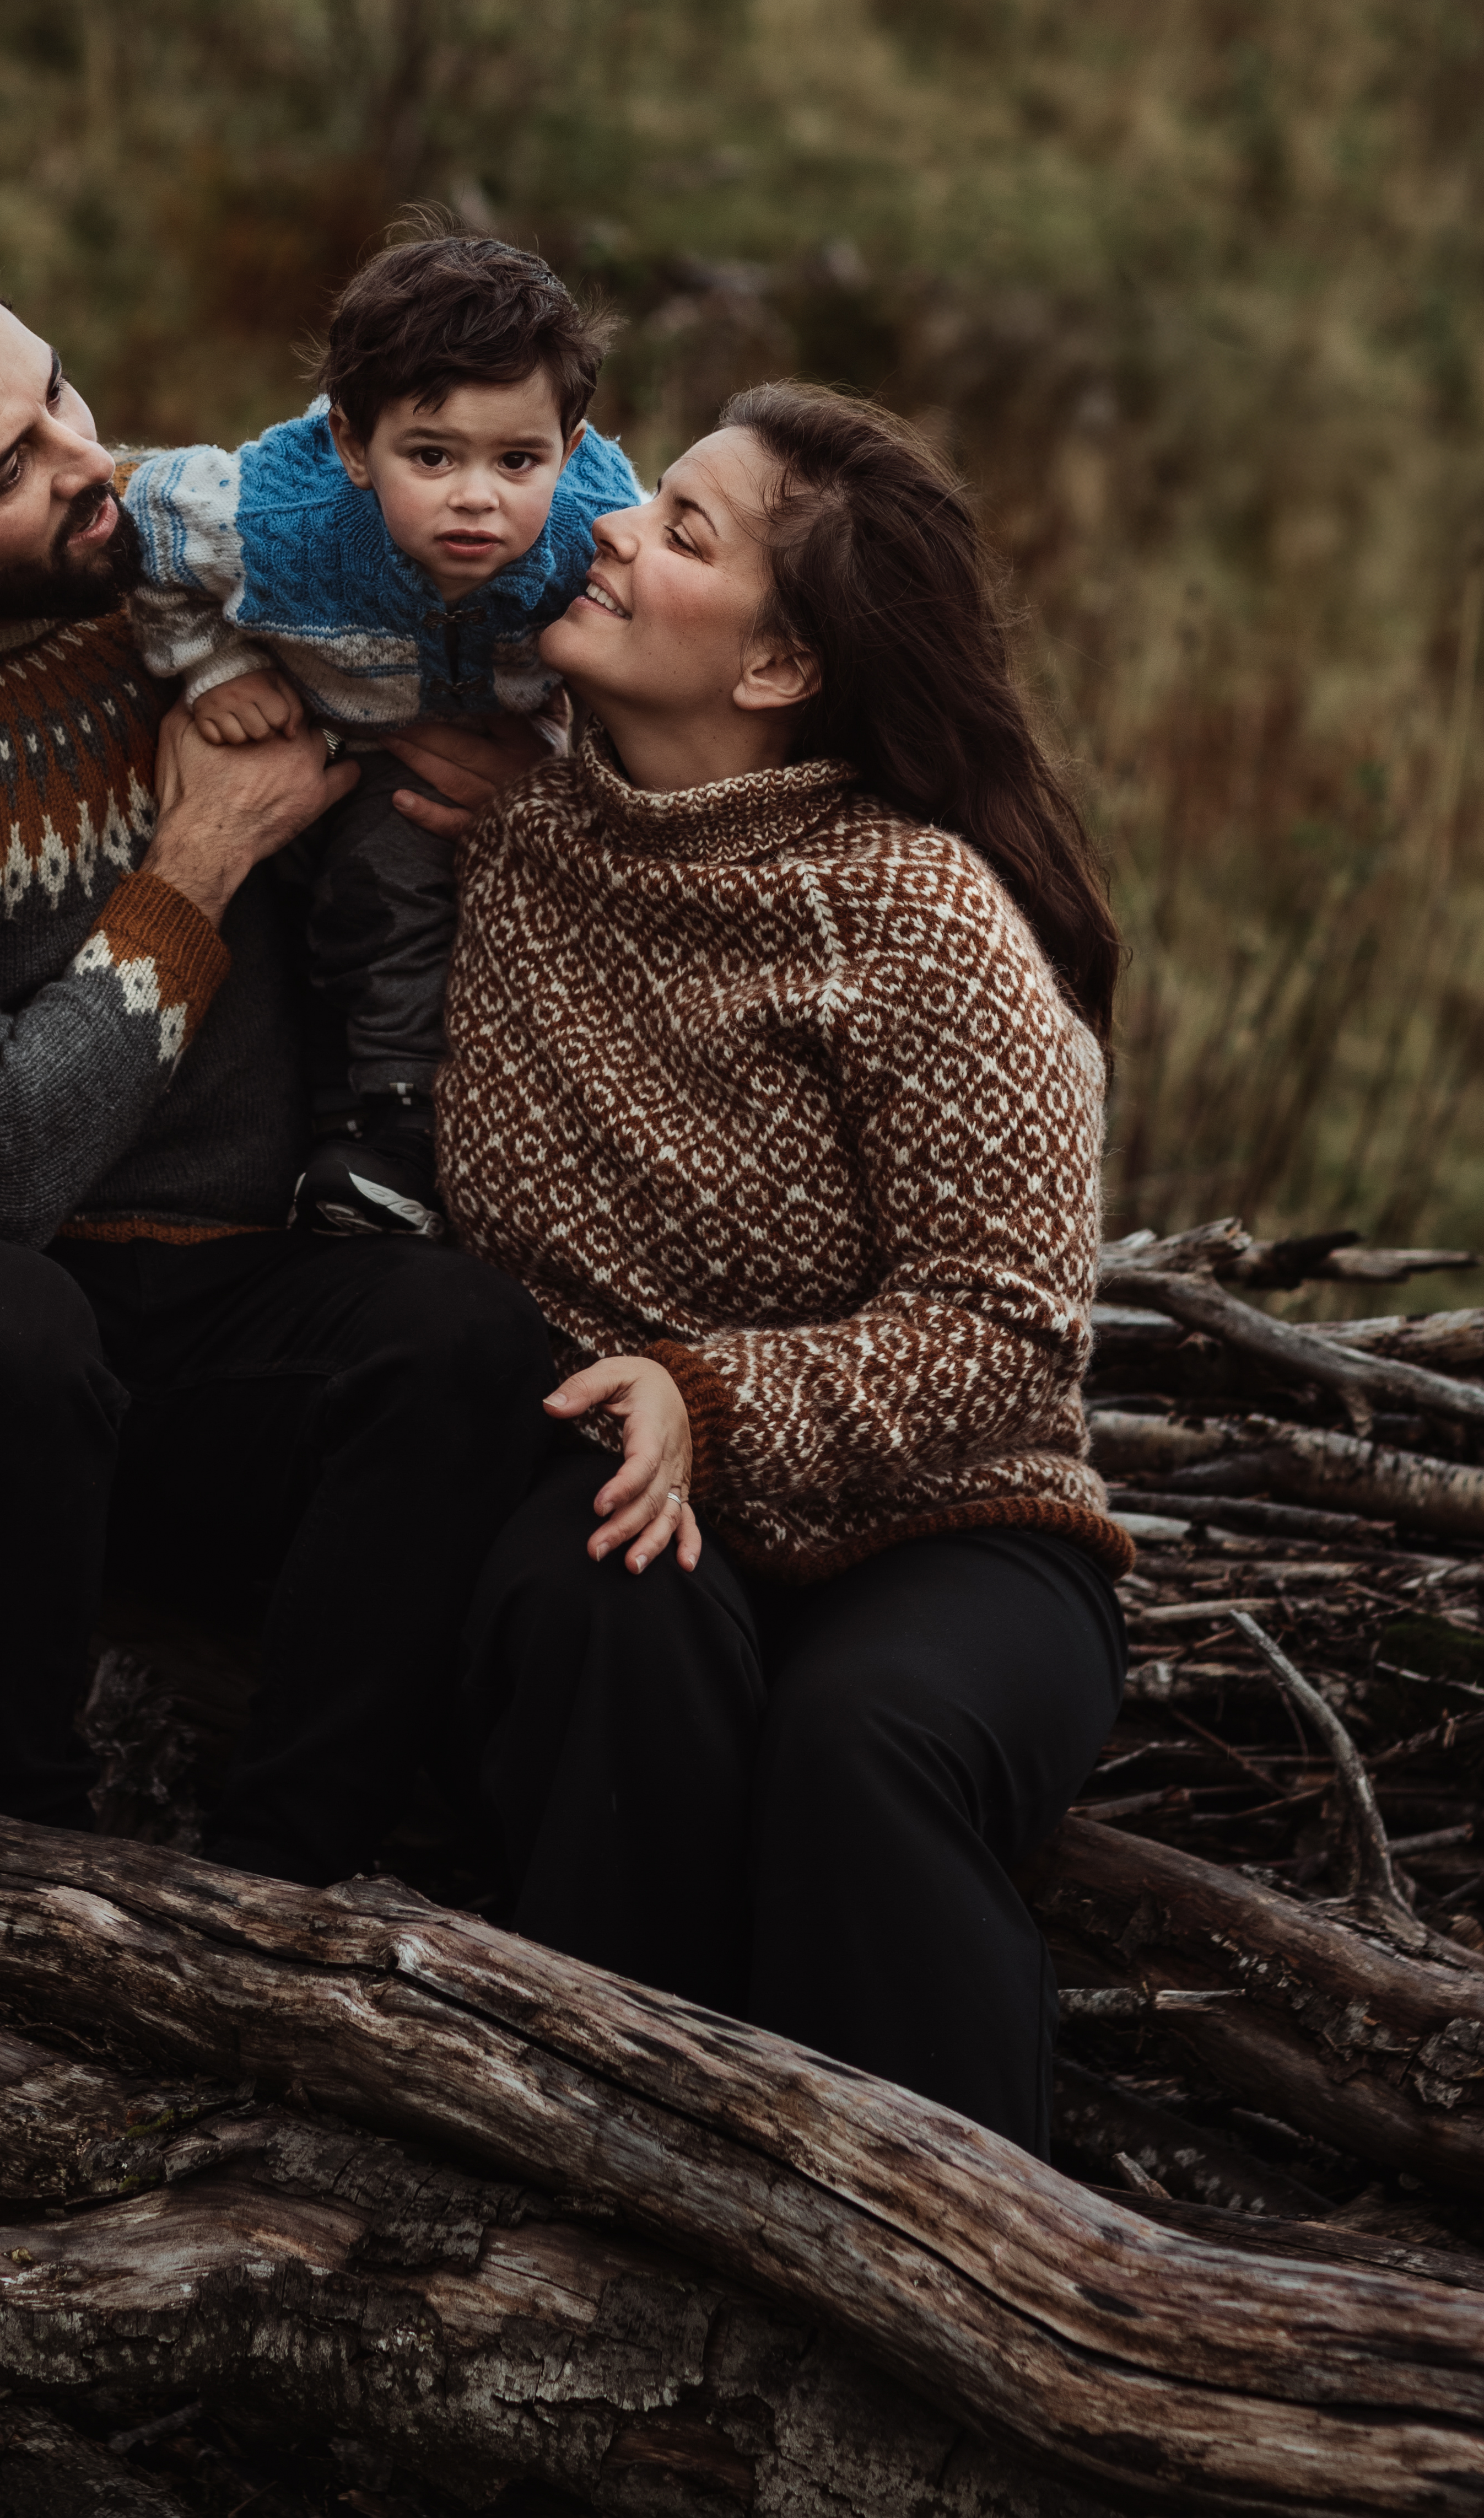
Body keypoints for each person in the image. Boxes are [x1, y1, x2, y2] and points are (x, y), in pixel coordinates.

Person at [0, 219, 557, 1882]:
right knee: (3, 1318)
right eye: (12, 465)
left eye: (58, 389)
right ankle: (14, 1853)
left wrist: (525, 797)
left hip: (218, 1299)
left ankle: (280, 1881)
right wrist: (198, 860)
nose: (95, 461)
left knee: (456, 1338)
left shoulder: (203, 558)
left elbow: (537, 553)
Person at [431, 381, 1130, 2151]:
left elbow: (1006, 1332)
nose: (600, 523)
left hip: (955, 1528)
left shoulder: (918, 914)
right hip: (633, 1501)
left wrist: (711, 1390)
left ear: (776, 667)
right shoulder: (502, 839)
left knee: (860, 1738)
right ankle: (616, 2167)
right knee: (598, 1611)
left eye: (679, 529)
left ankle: (979, 2263)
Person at [122, 230, 638, 1241]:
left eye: (518, 459)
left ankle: (398, 1134)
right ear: (356, 445)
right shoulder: (274, 517)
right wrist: (210, 665)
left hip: (479, 754)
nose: (477, 496)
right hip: (322, 732)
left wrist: (579, 761)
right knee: (318, 908)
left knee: (407, 869)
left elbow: (666, 656)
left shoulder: (602, 524)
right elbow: (139, 515)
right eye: (432, 455)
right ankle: (302, 1129)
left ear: (569, 451)